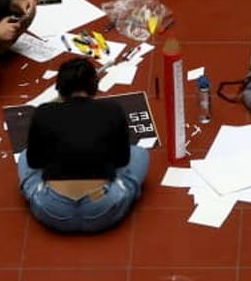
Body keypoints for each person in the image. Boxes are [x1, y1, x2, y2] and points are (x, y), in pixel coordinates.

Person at [16, 57, 152, 232]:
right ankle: (118, 194)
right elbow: (122, 160)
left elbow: (34, 162)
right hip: (102, 208)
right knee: (140, 154)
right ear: (94, 86)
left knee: (23, 157)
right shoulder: (112, 109)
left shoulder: (43, 112)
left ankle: (39, 195)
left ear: (60, 89)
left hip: (53, 210)